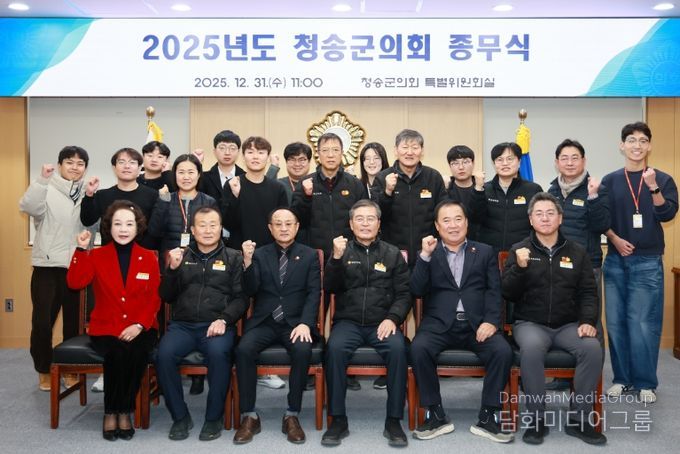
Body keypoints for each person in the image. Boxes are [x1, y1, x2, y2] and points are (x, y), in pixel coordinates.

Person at [502, 192, 606, 445]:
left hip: (568, 324)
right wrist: (520, 268)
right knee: (531, 350)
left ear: (560, 218)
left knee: (592, 349)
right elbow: (507, 292)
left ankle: (579, 419)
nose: (545, 218)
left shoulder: (577, 252)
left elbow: (588, 292)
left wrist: (587, 321)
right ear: (530, 219)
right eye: (539, 214)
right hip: (530, 324)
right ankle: (537, 419)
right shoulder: (519, 250)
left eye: (550, 213)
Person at [410, 201, 513, 443]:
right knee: (418, 348)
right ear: (437, 226)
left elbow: (494, 291)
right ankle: (435, 414)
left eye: (458, 219)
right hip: (439, 324)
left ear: (466, 222)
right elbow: (416, 289)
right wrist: (424, 256)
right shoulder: (430, 252)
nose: (453, 225)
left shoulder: (484, 251)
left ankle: (488, 415)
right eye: (446, 220)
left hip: (477, 324)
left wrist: (491, 322)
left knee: (502, 351)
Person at [66, 201, 161, 441]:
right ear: (109, 227)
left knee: (136, 352)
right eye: (118, 224)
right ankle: (111, 412)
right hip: (106, 327)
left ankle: (124, 411)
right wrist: (80, 250)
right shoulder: (97, 255)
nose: (123, 229)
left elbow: (154, 297)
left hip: (141, 326)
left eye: (129, 224)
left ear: (137, 227)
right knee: (117, 353)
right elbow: (75, 283)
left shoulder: (149, 257)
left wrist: (139, 325)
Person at [322, 200, 411, 447]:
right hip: (348, 322)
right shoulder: (342, 251)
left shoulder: (392, 253)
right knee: (334, 349)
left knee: (398, 349)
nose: (365, 224)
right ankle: (338, 419)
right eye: (359, 219)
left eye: (370, 218)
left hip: (382, 322)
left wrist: (393, 318)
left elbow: (404, 294)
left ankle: (393, 420)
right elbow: (330, 287)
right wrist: (335, 259)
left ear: (379, 223)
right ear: (351, 224)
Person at [156, 207, 248, 441]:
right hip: (183, 326)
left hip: (216, 325)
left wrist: (224, 319)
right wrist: (172, 270)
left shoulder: (234, 257)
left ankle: (213, 417)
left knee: (219, 353)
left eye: (213, 225)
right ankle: (180, 416)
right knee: (163, 354)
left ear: (221, 228)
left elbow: (241, 298)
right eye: (202, 225)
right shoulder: (180, 256)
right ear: (193, 230)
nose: (208, 230)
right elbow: (166, 296)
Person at [602, 122, 678, 404]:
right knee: (616, 323)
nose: (637, 145)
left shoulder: (663, 179)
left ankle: (646, 382)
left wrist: (653, 187)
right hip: (615, 259)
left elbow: (667, 214)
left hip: (647, 261)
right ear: (622, 145)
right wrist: (614, 238)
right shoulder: (610, 181)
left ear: (649, 146)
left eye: (643, 140)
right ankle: (622, 379)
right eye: (631, 140)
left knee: (643, 323)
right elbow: (601, 218)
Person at [233, 208, 321, 444]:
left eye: (288, 223)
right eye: (278, 224)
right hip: (264, 321)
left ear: (297, 227)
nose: (283, 228)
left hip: (295, 323)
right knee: (243, 349)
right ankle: (249, 415)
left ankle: (292, 414)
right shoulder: (259, 254)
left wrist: (305, 323)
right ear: (270, 228)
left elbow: (314, 293)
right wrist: (247, 262)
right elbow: (250, 290)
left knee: (302, 350)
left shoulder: (309, 255)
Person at [19, 146, 90, 392]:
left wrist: (91, 196)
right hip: (47, 266)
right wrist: (41, 180)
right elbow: (28, 207)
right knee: (42, 321)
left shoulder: (87, 192)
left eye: (80, 163)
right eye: (69, 162)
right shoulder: (46, 188)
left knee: (74, 323)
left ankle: (69, 368)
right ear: (60, 165)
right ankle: (44, 369)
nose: (74, 167)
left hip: (76, 265)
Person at [147, 153, 218, 395]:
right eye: (181, 172)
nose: (186, 177)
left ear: (199, 175)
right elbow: (154, 232)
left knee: (197, 311)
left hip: (201, 262)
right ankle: (164, 372)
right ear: (174, 175)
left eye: (191, 172)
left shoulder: (208, 201)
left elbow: (215, 234)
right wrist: (162, 202)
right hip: (170, 262)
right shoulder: (165, 198)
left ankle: (198, 374)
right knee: (168, 314)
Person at [547, 139, 610, 391]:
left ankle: (592, 383)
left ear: (584, 161)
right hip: (557, 266)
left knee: (590, 321)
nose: (570, 162)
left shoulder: (596, 189)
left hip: (587, 265)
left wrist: (593, 197)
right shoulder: (551, 191)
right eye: (564, 158)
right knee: (564, 321)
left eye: (575, 158)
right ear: (557, 162)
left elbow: (602, 224)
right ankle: (564, 377)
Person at [291, 132, 368, 263]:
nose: (330, 155)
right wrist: (306, 197)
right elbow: (297, 221)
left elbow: (363, 219)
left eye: (335, 150)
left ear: (342, 153)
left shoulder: (355, 184)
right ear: (318, 154)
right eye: (325, 150)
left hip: (349, 254)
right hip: (314, 254)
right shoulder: (305, 183)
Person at [376, 129, 447, 267]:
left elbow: (443, 213)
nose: (409, 152)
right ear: (396, 150)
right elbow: (377, 216)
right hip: (392, 252)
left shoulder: (433, 177)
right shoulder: (383, 177)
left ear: (422, 151)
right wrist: (387, 192)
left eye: (415, 147)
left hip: (428, 250)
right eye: (405, 147)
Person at [468, 142, 543, 252]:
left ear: (519, 162)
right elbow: (474, 219)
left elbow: (539, 223)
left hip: (522, 252)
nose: (505, 163)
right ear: (494, 163)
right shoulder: (484, 189)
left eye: (510, 159)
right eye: (500, 159)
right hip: (489, 253)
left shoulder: (533, 189)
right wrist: (478, 189)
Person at [80, 147, 159, 246]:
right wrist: (89, 194)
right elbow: (87, 221)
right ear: (114, 168)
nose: (127, 166)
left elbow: (156, 229)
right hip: (109, 252)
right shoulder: (102, 195)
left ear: (139, 168)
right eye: (121, 162)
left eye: (132, 162)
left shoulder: (152, 195)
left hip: (141, 253)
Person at [221, 136, 288, 249]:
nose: (255, 157)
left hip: (270, 251)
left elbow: (282, 223)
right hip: (238, 250)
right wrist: (235, 196)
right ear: (243, 157)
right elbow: (227, 223)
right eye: (250, 152)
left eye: (261, 152)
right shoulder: (233, 184)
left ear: (268, 157)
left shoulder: (278, 188)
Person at [446, 145, 481, 240]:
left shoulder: (483, 189)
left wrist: (479, 188)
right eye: (455, 163)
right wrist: (444, 189)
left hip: (479, 242)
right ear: (449, 166)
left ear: (473, 163)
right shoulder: (445, 189)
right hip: (452, 240)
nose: (461, 167)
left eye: (465, 162)